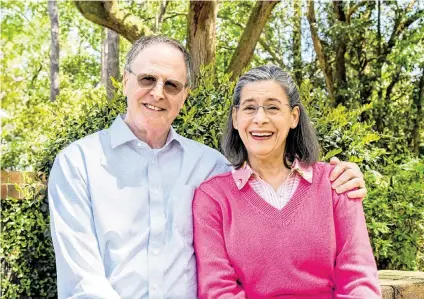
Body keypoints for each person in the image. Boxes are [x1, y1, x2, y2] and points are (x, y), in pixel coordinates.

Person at [48, 36, 368, 299]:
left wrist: (345, 178)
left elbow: (270, 184)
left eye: (172, 85)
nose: (158, 93)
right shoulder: (79, 164)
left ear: (184, 96)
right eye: (147, 79)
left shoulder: (210, 166)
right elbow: (83, 283)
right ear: (126, 82)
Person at [193, 65, 381, 299]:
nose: (260, 119)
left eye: (272, 107)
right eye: (249, 108)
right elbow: (218, 290)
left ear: (294, 117)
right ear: (235, 118)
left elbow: (358, 280)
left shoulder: (336, 183)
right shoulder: (213, 197)